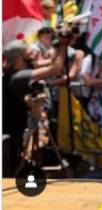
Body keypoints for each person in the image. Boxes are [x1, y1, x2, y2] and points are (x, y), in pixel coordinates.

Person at [2, 40, 63, 176]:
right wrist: (62, 46)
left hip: (14, 122)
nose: (31, 52)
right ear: (19, 56)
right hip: (11, 124)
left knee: (14, 153)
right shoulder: (19, 76)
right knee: (12, 155)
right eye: (26, 50)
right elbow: (54, 69)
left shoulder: (17, 72)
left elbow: (49, 64)